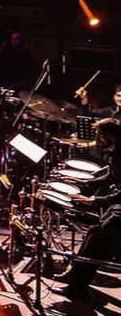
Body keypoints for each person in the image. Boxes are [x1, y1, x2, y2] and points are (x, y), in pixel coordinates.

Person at [55, 120, 121, 300]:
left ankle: (77, 286)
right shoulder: (115, 153)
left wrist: (95, 201)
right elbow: (111, 176)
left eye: (100, 135)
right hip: (118, 206)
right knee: (93, 233)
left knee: (96, 240)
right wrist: (85, 182)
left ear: (111, 136)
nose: (97, 139)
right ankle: (75, 278)